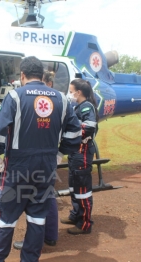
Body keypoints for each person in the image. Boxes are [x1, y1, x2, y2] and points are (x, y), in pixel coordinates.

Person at [0, 56, 81, 262]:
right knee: (38, 218)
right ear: (43, 75)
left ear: (22, 75)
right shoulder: (62, 99)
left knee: (6, 218)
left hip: (18, 166)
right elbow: (74, 132)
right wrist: (60, 153)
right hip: (46, 167)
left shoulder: (15, 96)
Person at [12, 70, 59, 251]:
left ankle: (34, 242)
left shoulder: (26, 97)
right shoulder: (59, 100)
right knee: (48, 196)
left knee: (31, 203)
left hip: (29, 158)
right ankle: (50, 236)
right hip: (48, 157)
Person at [60, 78, 99, 235]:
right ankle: (76, 215)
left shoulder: (86, 107)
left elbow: (88, 128)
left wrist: (70, 136)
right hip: (75, 152)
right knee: (74, 186)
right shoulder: (78, 106)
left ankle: (85, 223)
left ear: (79, 92)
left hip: (82, 152)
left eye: (71, 91)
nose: (70, 94)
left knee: (82, 189)